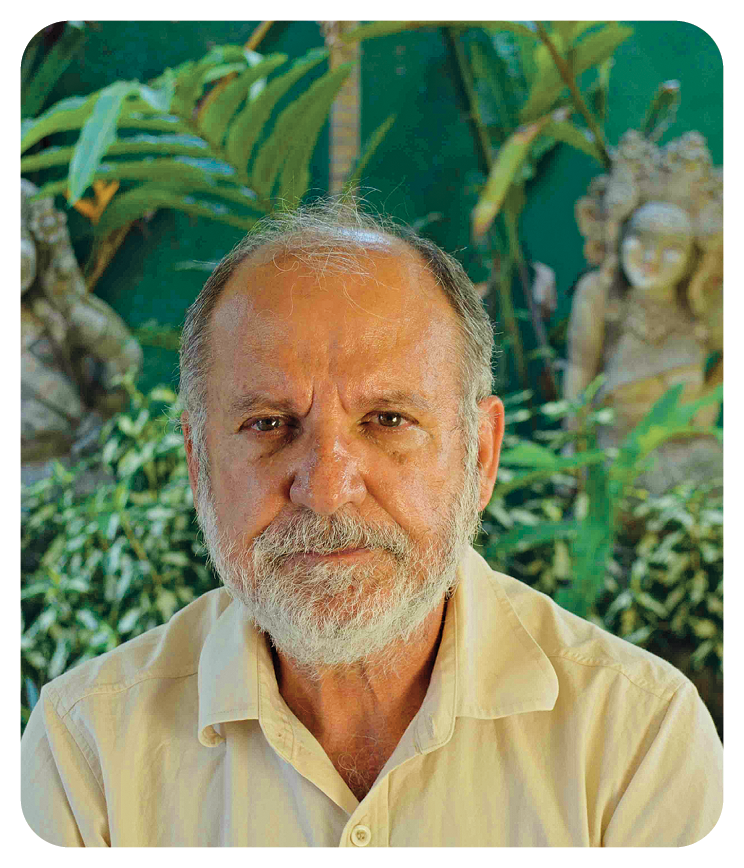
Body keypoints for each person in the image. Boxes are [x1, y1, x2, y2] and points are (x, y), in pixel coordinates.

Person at [21, 200, 722, 847]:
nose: (326, 491)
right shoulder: (88, 752)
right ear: (199, 463)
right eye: (269, 424)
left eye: (388, 420)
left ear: (480, 457)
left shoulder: (637, 739)